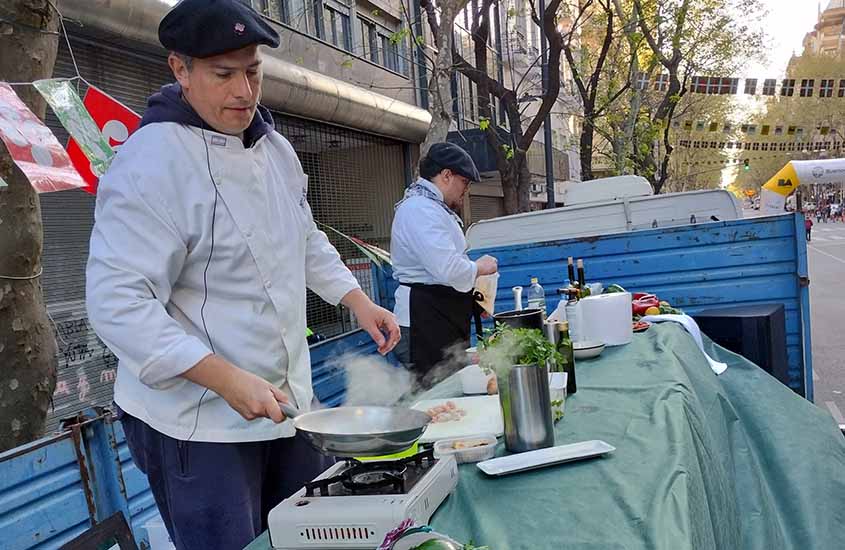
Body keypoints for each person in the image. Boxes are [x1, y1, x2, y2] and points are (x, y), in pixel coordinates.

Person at [85, 2, 400, 548]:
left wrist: (355, 298)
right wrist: (225, 378)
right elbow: (118, 304)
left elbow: (302, 238)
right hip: (198, 419)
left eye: (252, 71)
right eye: (223, 74)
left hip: (285, 403)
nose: (244, 92)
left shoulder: (273, 148)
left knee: (306, 536)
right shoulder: (150, 163)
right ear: (179, 70)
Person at [390, 143, 498, 388]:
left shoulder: (433, 207)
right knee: (434, 396)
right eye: (464, 182)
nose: (466, 190)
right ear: (446, 175)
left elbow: (445, 269)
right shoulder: (419, 209)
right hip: (423, 321)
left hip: (439, 315)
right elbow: (448, 268)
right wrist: (480, 267)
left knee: (451, 390)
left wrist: (473, 300)